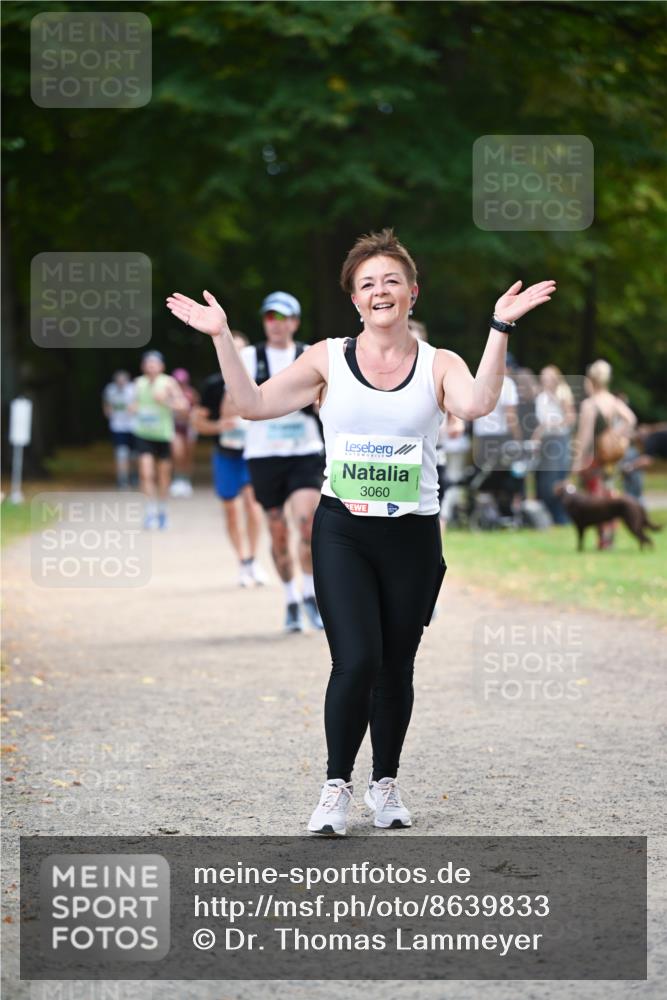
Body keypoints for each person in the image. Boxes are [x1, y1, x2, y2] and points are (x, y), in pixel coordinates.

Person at [165, 228, 556, 835]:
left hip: (413, 535)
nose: (380, 292)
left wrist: (499, 329)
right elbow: (253, 405)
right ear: (354, 299)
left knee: (396, 667)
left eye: (391, 282)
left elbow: (477, 404)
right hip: (343, 530)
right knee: (356, 660)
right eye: (367, 284)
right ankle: (335, 787)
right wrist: (221, 338)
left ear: (412, 294)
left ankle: (386, 784)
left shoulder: (439, 363)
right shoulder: (325, 357)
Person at [238, 291, 326, 632]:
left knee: (307, 524)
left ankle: (311, 593)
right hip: (264, 455)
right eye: (269, 317)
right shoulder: (249, 356)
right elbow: (238, 400)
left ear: (295, 322)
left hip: (304, 452)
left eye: (282, 317)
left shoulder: (309, 355)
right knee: (277, 532)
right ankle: (290, 597)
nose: (275, 324)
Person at [194, 332, 268, 587]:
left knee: (252, 504)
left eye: (240, 351)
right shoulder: (213, 385)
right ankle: (242, 561)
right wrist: (218, 427)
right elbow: (198, 422)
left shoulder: (260, 381)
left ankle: (253, 560)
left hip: (252, 453)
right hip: (225, 454)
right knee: (232, 512)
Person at [569, 359, 637, 549]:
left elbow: (584, 439)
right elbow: (630, 419)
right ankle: (608, 537)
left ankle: (603, 537)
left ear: (590, 379)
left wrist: (576, 463)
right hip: (610, 460)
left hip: (595, 460)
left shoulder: (590, 405)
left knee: (595, 500)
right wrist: (616, 434)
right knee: (610, 496)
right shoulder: (613, 400)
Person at [130, 351, 188, 530]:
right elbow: (133, 404)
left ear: (161, 366)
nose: (151, 366)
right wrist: (133, 407)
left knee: (163, 476)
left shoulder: (168, 383)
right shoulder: (138, 383)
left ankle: (162, 511)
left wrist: (167, 401)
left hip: (163, 435)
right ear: (143, 366)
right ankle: (149, 511)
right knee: (146, 474)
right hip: (143, 434)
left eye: (154, 363)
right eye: (148, 363)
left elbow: (184, 407)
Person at [532, 365, 576, 524]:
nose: (545, 380)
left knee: (556, 479)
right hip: (545, 441)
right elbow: (542, 422)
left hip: (558, 440)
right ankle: (547, 516)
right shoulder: (541, 396)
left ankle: (560, 517)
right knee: (543, 480)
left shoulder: (562, 394)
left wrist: (552, 425)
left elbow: (570, 417)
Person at [102, 370, 137, 489]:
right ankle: (122, 479)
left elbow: (138, 404)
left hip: (132, 427)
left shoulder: (133, 389)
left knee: (133, 455)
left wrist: (134, 408)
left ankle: (133, 475)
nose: (121, 383)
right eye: (119, 380)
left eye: (123, 380)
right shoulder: (110, 390)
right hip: (117, 427)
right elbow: (106, 404)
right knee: (121, 453)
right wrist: (108, 412)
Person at [169, 368, 200, 498]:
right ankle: (177, 480)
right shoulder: (169, 394)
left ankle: (186, 481)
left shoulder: (191, 393)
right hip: (175, 427)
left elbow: (197, 410)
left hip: (189, 427)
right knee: (177, 454)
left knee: (188, 455)